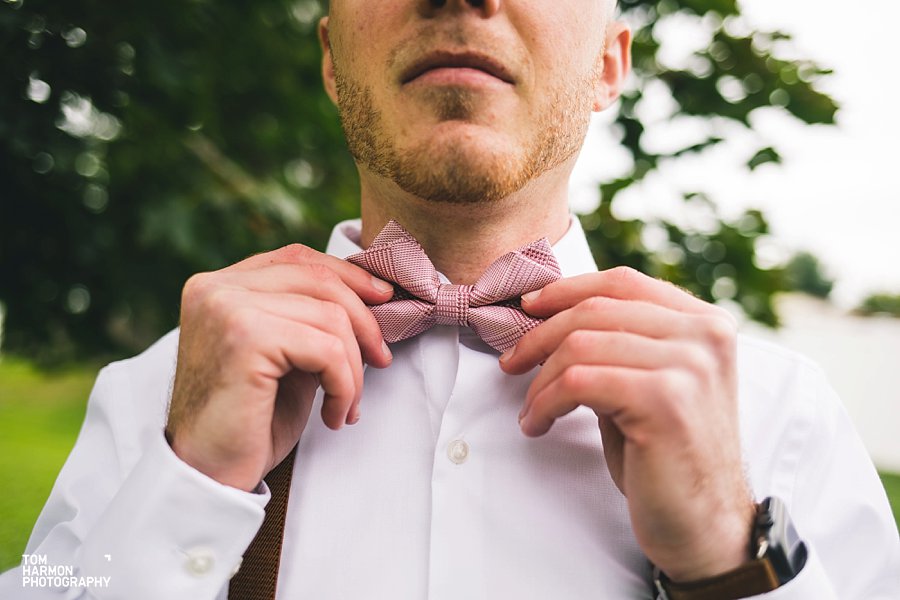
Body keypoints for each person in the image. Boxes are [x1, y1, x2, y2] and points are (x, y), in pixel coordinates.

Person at [2, 0, 898, 598]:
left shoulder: (781, 416)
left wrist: (730, 563)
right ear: (329, 55)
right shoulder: (155, 396)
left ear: (607, 63)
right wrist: (183, 488)